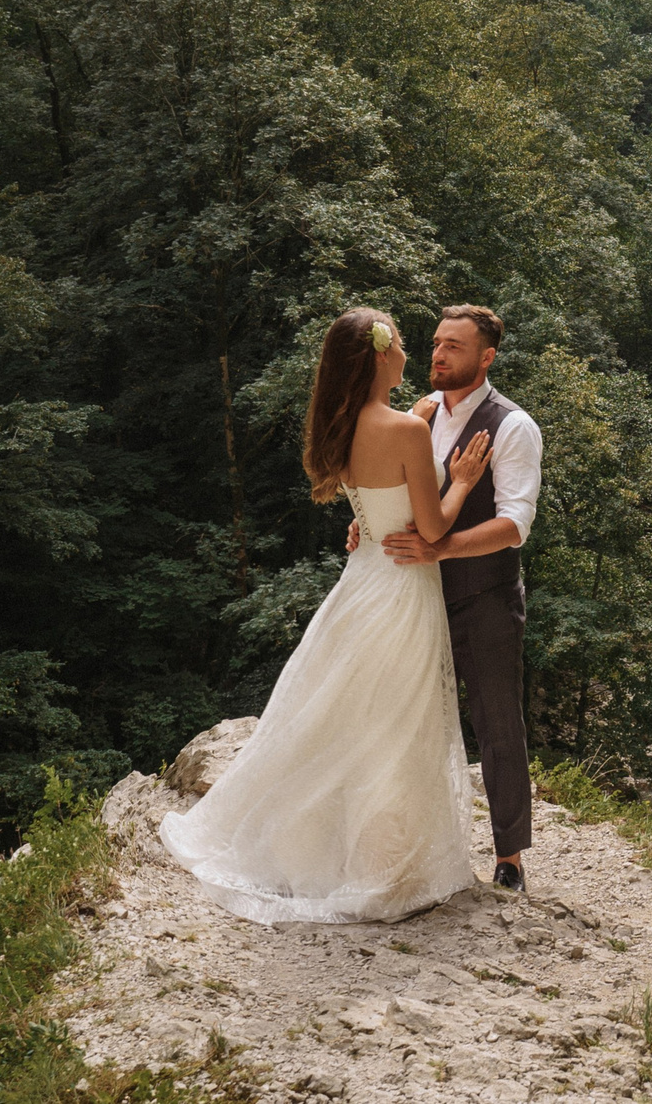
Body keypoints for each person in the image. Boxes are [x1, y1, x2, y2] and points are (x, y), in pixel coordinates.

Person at [159, 309, 493, 923]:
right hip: (402, 589)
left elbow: (377, 505)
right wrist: (464, 480)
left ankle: (337, 854)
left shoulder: (344, 424)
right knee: (397, 725)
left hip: (360, 581)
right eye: (401, 342)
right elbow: (431, 528)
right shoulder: (407, 432)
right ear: (381, 356)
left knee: (350, 717)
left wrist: (417, 415)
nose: (411, 352)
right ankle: (384, 868)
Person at [349, 304, 542, 892]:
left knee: (497, 722)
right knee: (407, 722)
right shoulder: (419, 414)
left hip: (484, 595)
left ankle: (509, 857)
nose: (437, 354)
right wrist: (367, 524)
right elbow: (396, 490)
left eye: (453, 346)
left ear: (487, 357)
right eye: (435, 343)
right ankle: (409, 847)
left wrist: (440, 549)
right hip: (413, 598)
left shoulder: (514, 426)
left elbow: (515, 524)